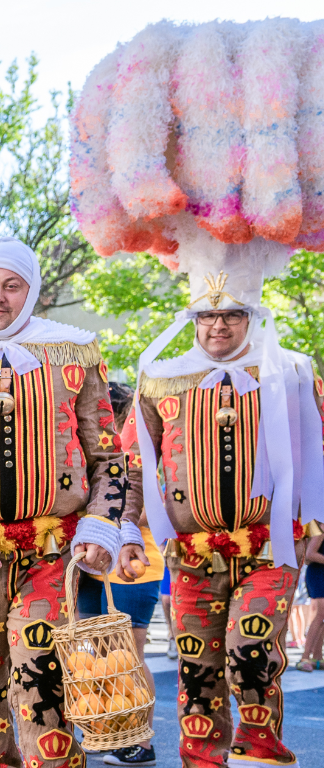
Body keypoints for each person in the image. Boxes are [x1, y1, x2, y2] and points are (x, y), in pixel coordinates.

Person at [0, 238, 127, 768]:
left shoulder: (73, 350)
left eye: (12, 285)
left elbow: (109, 454)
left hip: (52, 554)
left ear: (31, 290)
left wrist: (102, 528)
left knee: (43, 682)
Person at [118, 248, 323, 768]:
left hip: (271, 547)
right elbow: (133, 465)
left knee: (249, 653)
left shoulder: (293, 373)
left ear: (251, 317)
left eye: (231, 313)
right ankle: (203, 762)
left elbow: (320, 448)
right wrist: (123, 528)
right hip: (189, 555)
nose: (218, 325)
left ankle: (260, 755)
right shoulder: (160, 378)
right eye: (207, 314)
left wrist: (317, 519)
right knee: (196, 670)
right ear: (193, 318)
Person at [76, 382, 163, 767]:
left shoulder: (143, 448)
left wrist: (112, 513)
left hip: (136, 563)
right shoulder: (95, 451)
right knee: (98, 652)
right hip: (93, 563)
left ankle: (141, 740)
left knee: (128, 652)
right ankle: (112, 729)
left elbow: (146, 511)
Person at [296, 532, 324, 672]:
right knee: (320, 616)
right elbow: (310, 554)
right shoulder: (322, 527)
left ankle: (317, 658)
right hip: (318, 574)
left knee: (322, 617)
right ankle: (304, 657)